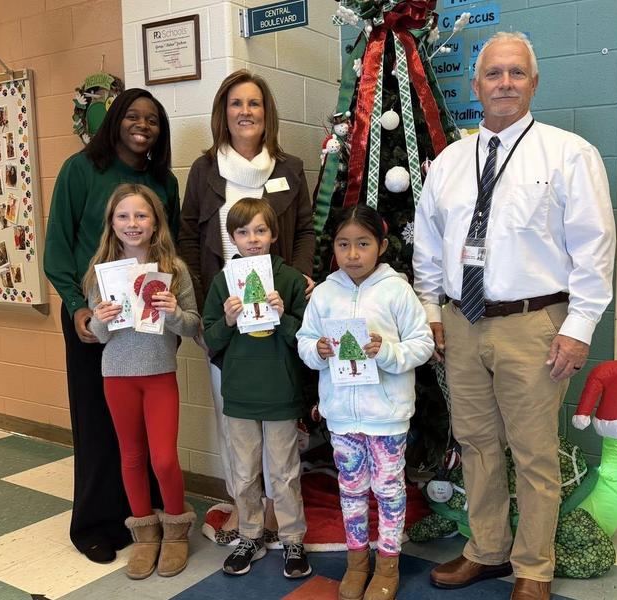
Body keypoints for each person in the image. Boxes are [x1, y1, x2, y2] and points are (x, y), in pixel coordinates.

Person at [413, 32, 616, 600]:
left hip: (535, 324)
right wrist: (431, 309)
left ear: (534, 82)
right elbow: (429, 245)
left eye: (516, 74)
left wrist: (578, 330)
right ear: (476, 86)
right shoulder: (450, 162)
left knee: (534, 452)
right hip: (461, 322)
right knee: (476, 444)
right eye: (494, 74)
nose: (504, 83)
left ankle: (534, 566)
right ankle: (487, 549)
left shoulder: (569, 154)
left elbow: (595, 248)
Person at [43, 88, 180, 564]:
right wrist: (78, 307)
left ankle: (144, 514)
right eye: (133, 116)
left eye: (153, 120)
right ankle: (96, 523)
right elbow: (58, 247)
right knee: (99, 424)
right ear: (115, 120)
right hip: (93, 318)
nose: (143, 126)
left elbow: (171, 250)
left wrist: (173, 316)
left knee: (148, 430)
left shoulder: (163, 182)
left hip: (147, 325)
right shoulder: (80, 170)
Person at [178, 69, 315, 541]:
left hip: (277, 315)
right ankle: (246, 508)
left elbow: (304, 233)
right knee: (230, 412)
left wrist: (295, 282)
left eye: (254, 103)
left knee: (279, 416)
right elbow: (189, 238)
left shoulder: (289, 168)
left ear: (266, 112)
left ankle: (280, 506)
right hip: (228, 313)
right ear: (224, 113)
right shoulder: (204, 170)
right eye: (236, 103)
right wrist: (203, 304)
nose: (245, 112)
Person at [297, 206, 433, 600]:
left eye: (362, 244)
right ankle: (357, 562)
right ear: (333, 248)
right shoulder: (323, 294)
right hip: (342, 417)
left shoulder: (397, 291)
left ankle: (388, 564)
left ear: (382, 246)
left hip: (386, 417)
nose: (353, 254)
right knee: (351, 490)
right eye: (343, 245)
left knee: (389, 491)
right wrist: (318, 350)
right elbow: (305, 341)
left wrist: (387, 352)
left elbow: (422, 344)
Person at [83, 184, 198, 579]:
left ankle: (176, 533)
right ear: (112, 224)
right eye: (123, 217)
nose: (132, 224)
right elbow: (99, 335)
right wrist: (100, 316)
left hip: (159, 375)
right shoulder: (102, 272)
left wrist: (173, 314)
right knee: (130, 457)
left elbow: (194, 325)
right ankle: (145, 535)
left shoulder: (174, 270)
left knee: (164, 458)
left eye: (141, 216)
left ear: (155, 223)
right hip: (117, 377)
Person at [202, 197, 310, 579]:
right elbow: (209, 338)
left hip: (280, 392)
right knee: (245, 473)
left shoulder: (291, 280)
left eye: (260, 230)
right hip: (240, 394)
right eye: (243, 232)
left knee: (284, 472)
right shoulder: (222, 283)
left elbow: (307, 342)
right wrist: (228, 321)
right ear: (232, 238)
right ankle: (250, 534)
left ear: (273, 234)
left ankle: (292, 537)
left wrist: (283, 317)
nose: (252, 239)